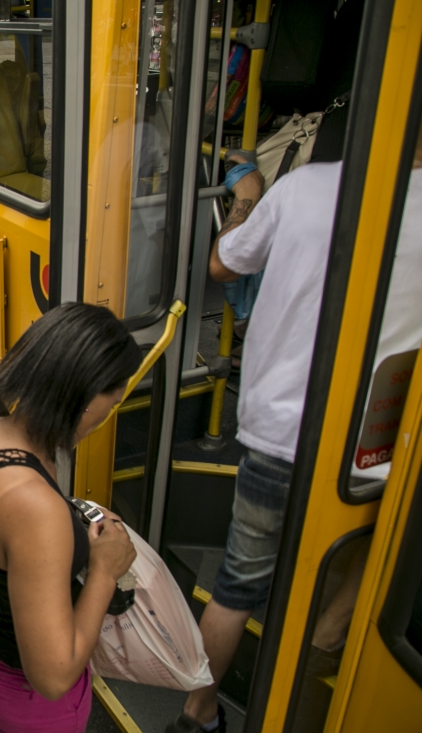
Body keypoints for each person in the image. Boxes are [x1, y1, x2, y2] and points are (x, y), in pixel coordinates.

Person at [167, 136, 422, 733]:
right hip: (376, 448)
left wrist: (248, 193)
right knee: (357, 570)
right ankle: (309, 675)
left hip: (275, 432)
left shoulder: (305, 186)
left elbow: (224, 262)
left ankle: (197, 714)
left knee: (237, 583)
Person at [0, 302, 141, 733]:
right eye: (111, 403)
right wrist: (105, 570)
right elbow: (52, 677)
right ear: (83, 397)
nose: (106, 417)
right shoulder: (36, 509)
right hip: (25, 696)